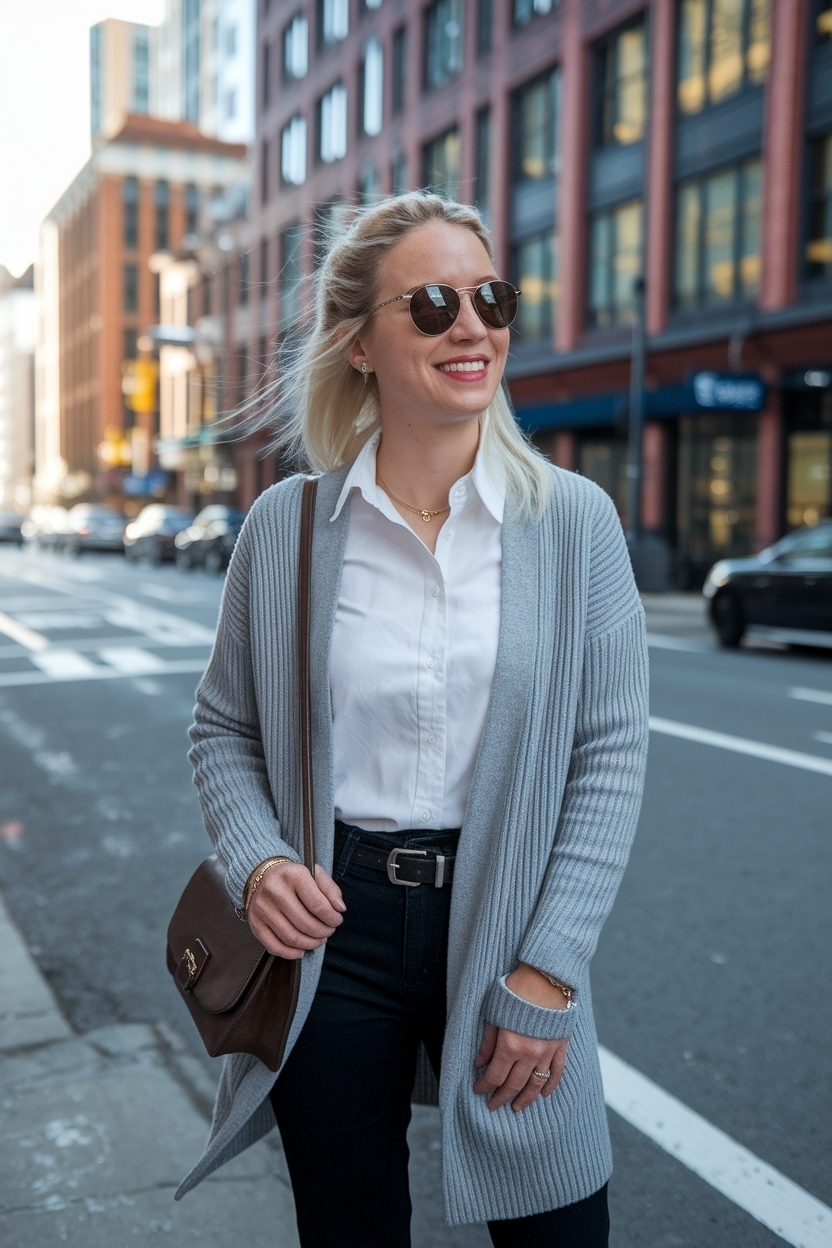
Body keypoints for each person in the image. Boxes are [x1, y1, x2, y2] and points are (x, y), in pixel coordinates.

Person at [176, 192, 649, 1247]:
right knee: (349, 1229)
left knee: (560, 1229)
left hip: (507, 922)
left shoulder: (573, 524)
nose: (471, 326)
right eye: (432, 303)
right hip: (330, 937)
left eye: (491, 298)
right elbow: (222, 730)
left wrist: (547, 969)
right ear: (358, 343)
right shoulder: (284, 530)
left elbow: (607, 757)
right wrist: (259, 863)